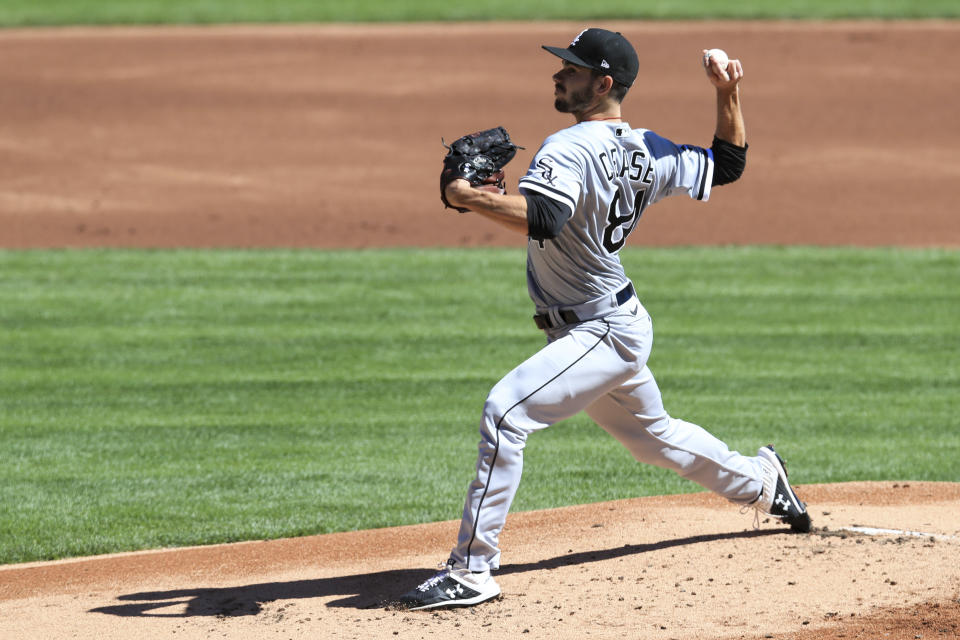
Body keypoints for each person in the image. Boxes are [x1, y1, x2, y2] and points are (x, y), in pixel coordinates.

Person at [398, 27, 810, 611]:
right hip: (612, 324)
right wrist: (727, 92)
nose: (558, 76)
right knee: (655, 438)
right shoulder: (648, 149)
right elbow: (728, 164)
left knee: (505, 411)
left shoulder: (566, 148)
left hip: (602, 332)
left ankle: (471, 569)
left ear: (603, 82)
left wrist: (468, 196)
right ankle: (765, 484)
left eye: (570, 69)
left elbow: (542, 215)